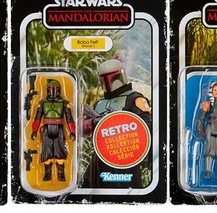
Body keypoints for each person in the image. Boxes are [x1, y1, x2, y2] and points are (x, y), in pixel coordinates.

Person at [82, 59, 151, 188]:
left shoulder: (135, 99)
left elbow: (146, 127)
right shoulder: (99, 103)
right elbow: (81, 129)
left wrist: (118, 125)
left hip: (124, 156)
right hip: (99, 158)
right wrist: (94, 122)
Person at [31, 79, 76, 182]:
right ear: (47, 90)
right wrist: (34, 130)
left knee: (60, 152)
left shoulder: (64, 103)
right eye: (51, 89)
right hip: (46, 129)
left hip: (59, 129)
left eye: (55, 89)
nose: (53, 92)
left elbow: (69, 119)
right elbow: (37, 118)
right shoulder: (42, 103)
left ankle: (61, 174)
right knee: (47, 153)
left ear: (59, 90)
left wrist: (72, 131)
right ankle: (47, 174)